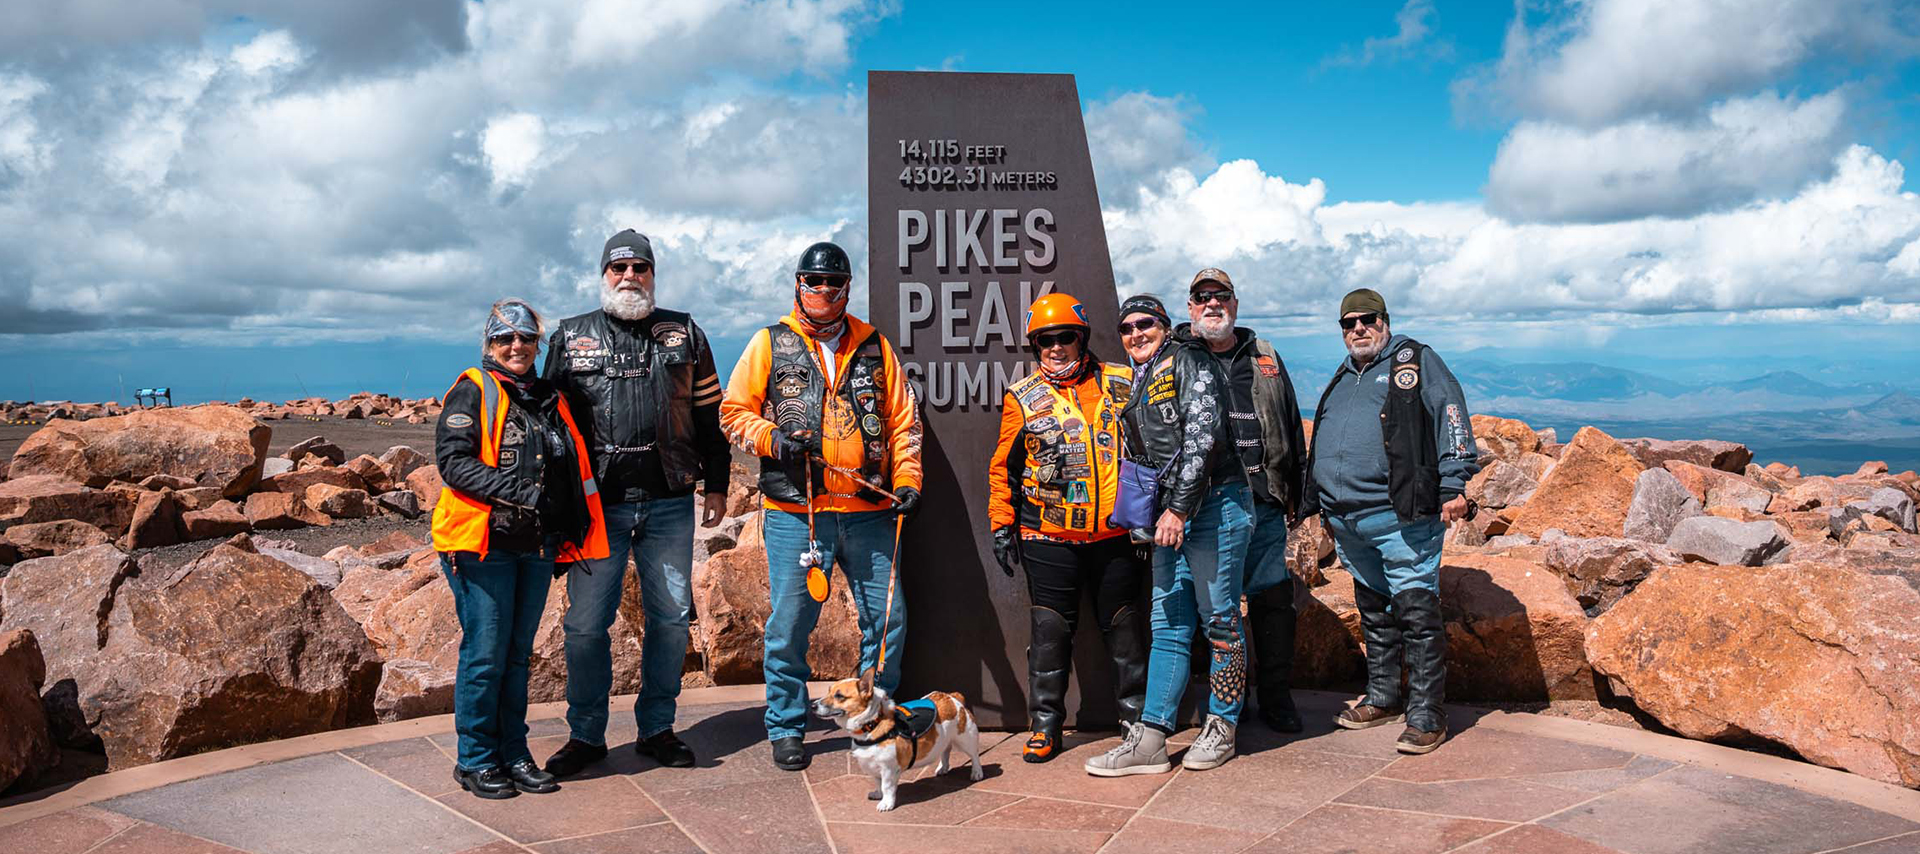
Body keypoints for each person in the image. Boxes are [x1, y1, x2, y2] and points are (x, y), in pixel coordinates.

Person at [720, 240, 923, 772]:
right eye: (815, 281)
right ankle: (786, 724)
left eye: (835, 282)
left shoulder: (875, 345)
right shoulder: (769, 342)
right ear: (798, 285)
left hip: (869, 510)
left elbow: (904, 422)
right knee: (790, 623)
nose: (825, 291)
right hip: (796, 513)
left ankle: (871, 715)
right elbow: (733, 413)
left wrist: (907, 480)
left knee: (888, 620)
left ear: (848, 287)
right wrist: (775, 440)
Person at [540, 230, 732, 778]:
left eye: (639, 268)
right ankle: (585, 736)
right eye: (618, 268)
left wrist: (715, 485)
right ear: (603, 275)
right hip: (597, 508)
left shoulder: (685, 333)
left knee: (670, 620)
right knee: (584, 627)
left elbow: (709, 418)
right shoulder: (571, 337)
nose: (629, 277)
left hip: (670, 502)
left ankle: (657, 729)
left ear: (653, 274)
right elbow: (546, 423)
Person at [433, 299, 610, 799]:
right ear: (488, 344)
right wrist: (528, 494)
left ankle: (513, 752)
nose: (516, 346)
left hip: (534, 547)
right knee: (485, 654)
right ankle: (475, 759)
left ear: (538, 344)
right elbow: (454, 464)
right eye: (504, 339)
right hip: (481, 546)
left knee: (516, 657)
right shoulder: (474, 390)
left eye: (526, 338)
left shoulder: (547, 396)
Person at [1086, 276, 1254, 777]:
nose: (1136, 333)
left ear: (1165, 325)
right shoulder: (1143, 374)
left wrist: (1178, 509)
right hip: (1169, 520)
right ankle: (1152, 737)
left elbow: (1203, 438)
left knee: (1221, 622)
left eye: (1146, 324)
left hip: (1214, 507)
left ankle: (1223, 725)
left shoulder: (1190, 360)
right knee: (1168, 624)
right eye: (1127, 328)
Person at [1300, 288, 1479, 754]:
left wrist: (1455, 482)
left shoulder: (1415, 361)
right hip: (1348, 520)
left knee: (1417, 614)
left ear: (1385, 320)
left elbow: (1451, 415)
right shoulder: (1346, 374)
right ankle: (1383, 697)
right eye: (1348, 323)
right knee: (1375, 613)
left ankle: (1427, 714)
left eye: (1367, 319)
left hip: (1401, 517)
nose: (1358, 328)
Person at [986, 293, 1147, 763]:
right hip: (1048, 537)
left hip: (1115, 535)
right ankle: (1045, 725)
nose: (1056, 347)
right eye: (1045, 340)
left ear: (1082, 338)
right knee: (1050, 633)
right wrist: (1001, 524)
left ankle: (1135, 718)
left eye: (1065, 337)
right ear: (1035, 346)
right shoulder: (1023, 396)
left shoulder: (1123, 380)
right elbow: (1004, 467)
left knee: (1124, 631)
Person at [1173, 270, 1309, 734]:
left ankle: (1275, 697)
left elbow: (1290, 422)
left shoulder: (1265, 355)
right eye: (1202, 297)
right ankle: (1219, 703)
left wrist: (1297, 490)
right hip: (1205, 508)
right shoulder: (1178, 356)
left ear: (1235, 303)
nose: (1212, 304)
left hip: (1264, 501)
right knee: (1209, 609)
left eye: (1221, 296)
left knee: (1271, 600)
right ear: (1191, 308)